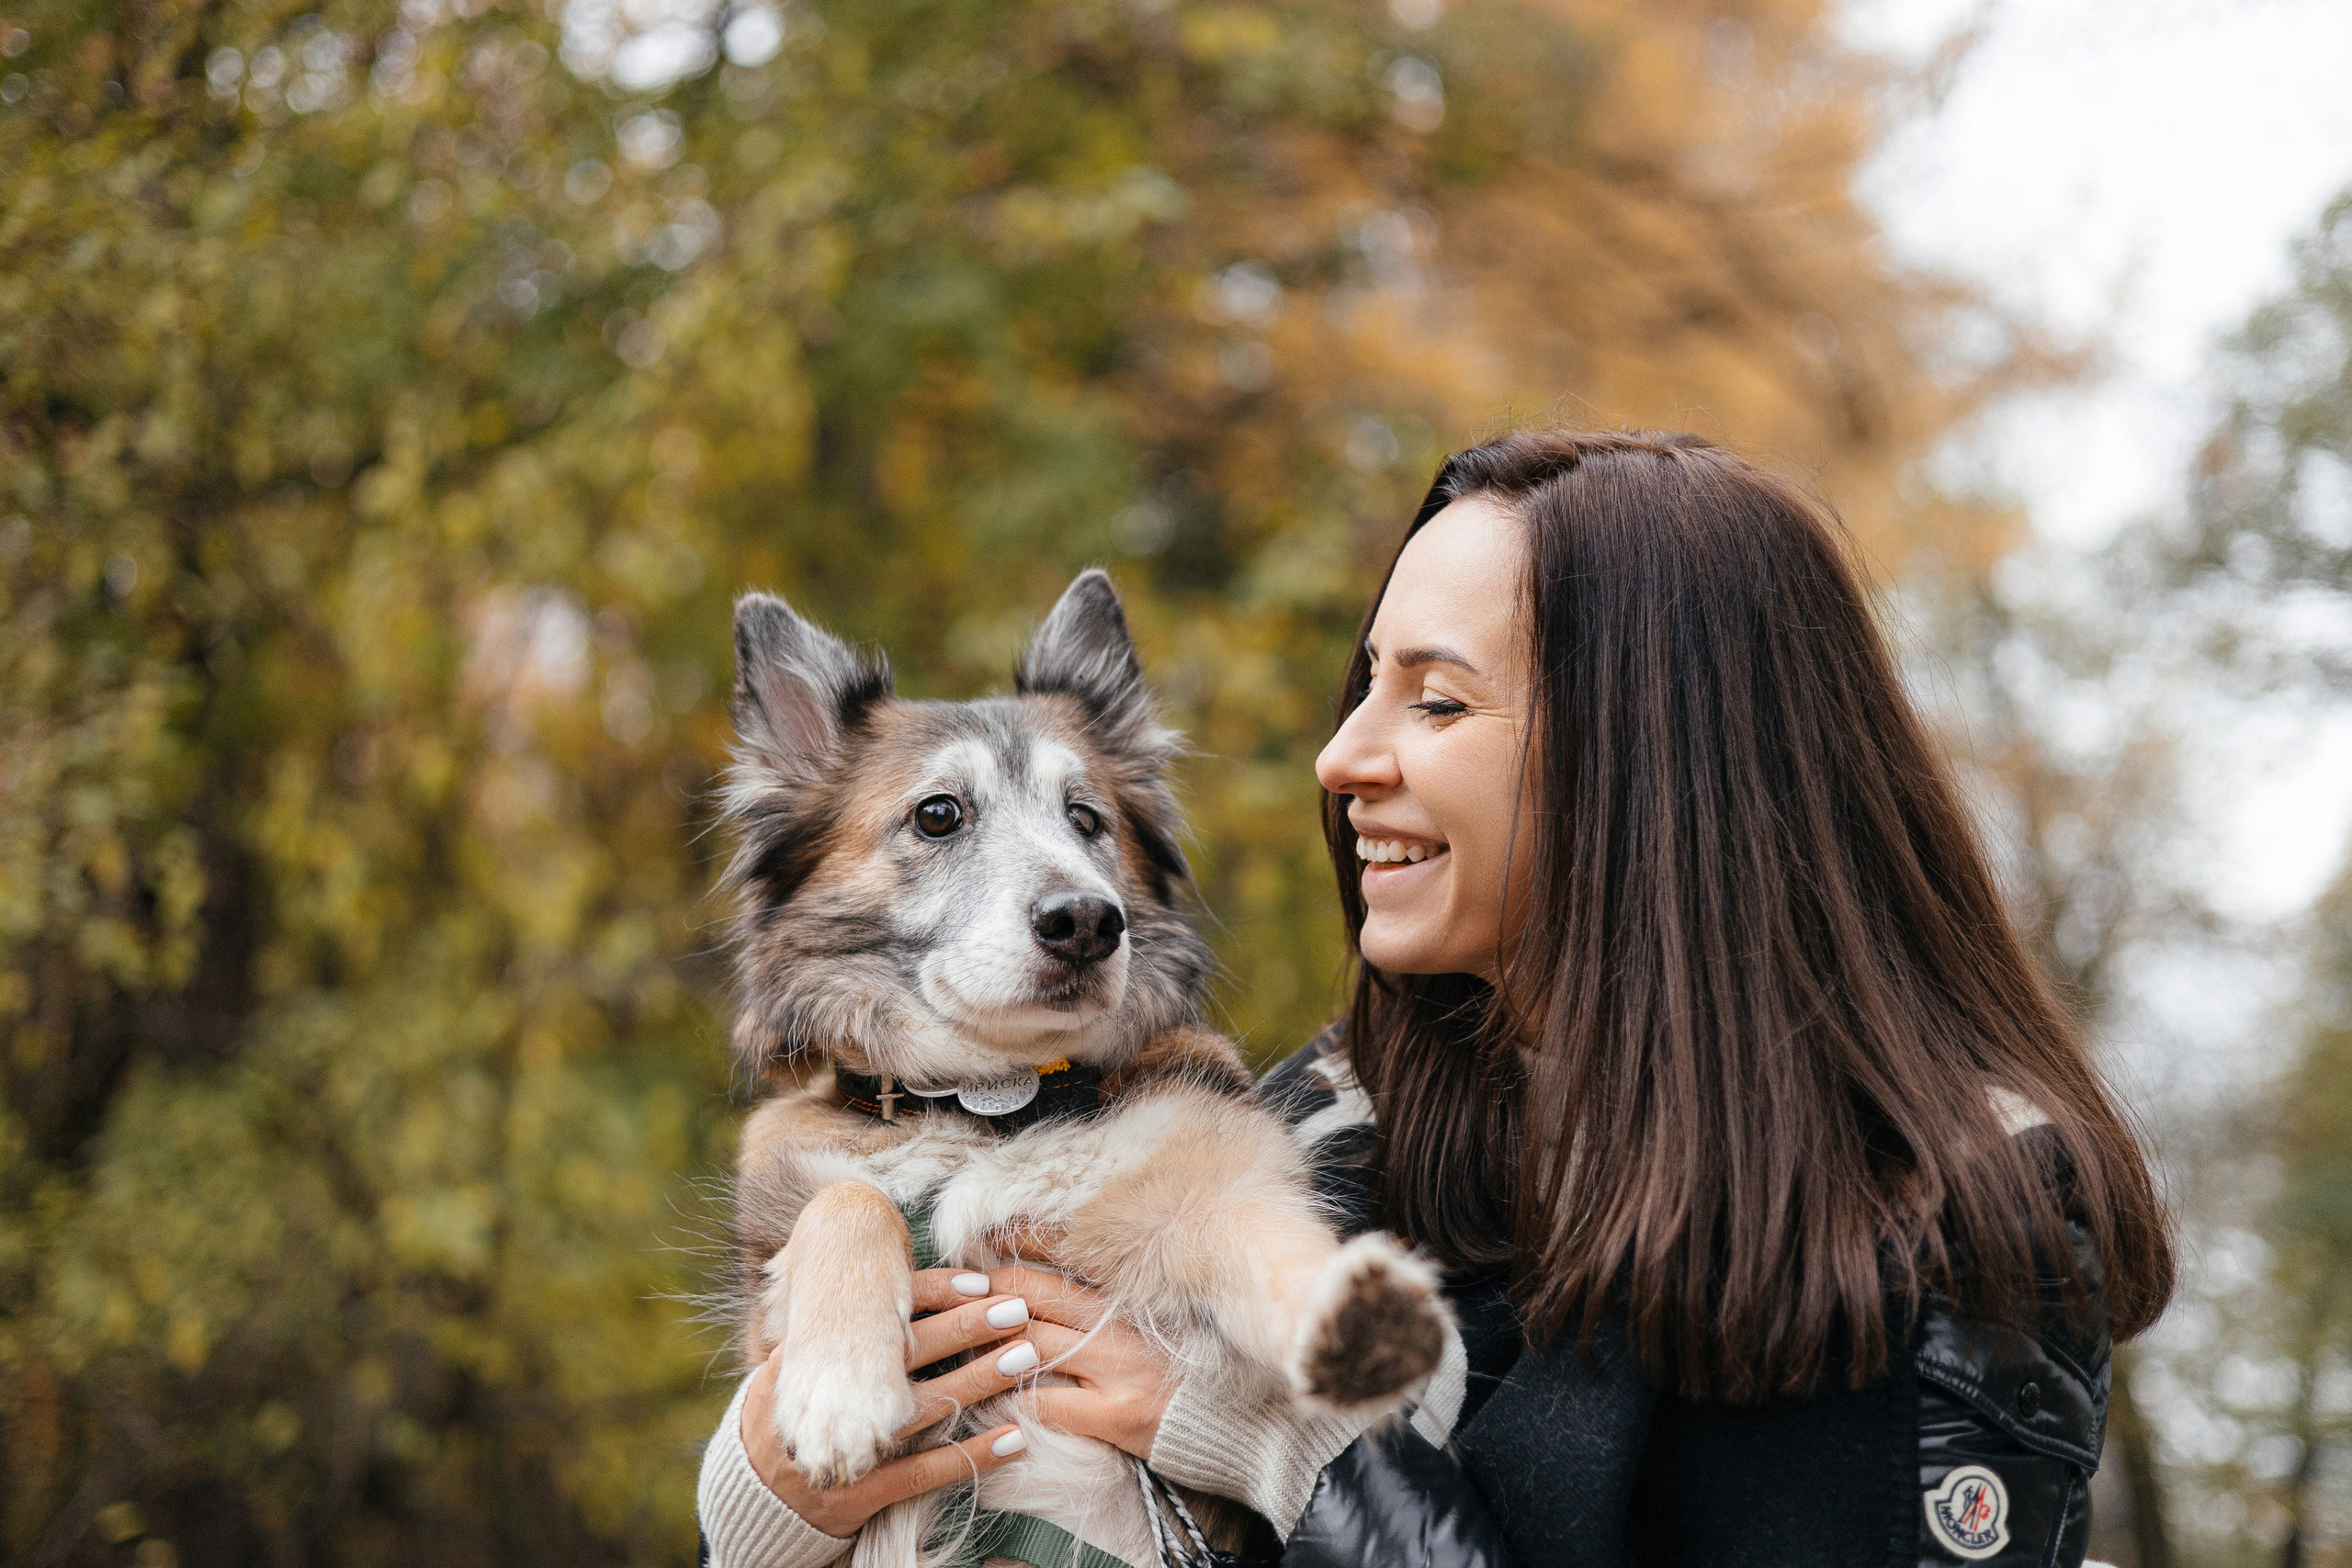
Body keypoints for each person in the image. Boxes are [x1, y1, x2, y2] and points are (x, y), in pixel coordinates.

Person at [697, 427, 2175, 1567]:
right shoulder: (1337, 1121)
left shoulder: (1940, 1217)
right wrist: (765, 1482)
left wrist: (1279, 1449)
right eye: (1366, 684)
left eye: (1438, 700)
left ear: (1656, 757)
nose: (1343, 755)